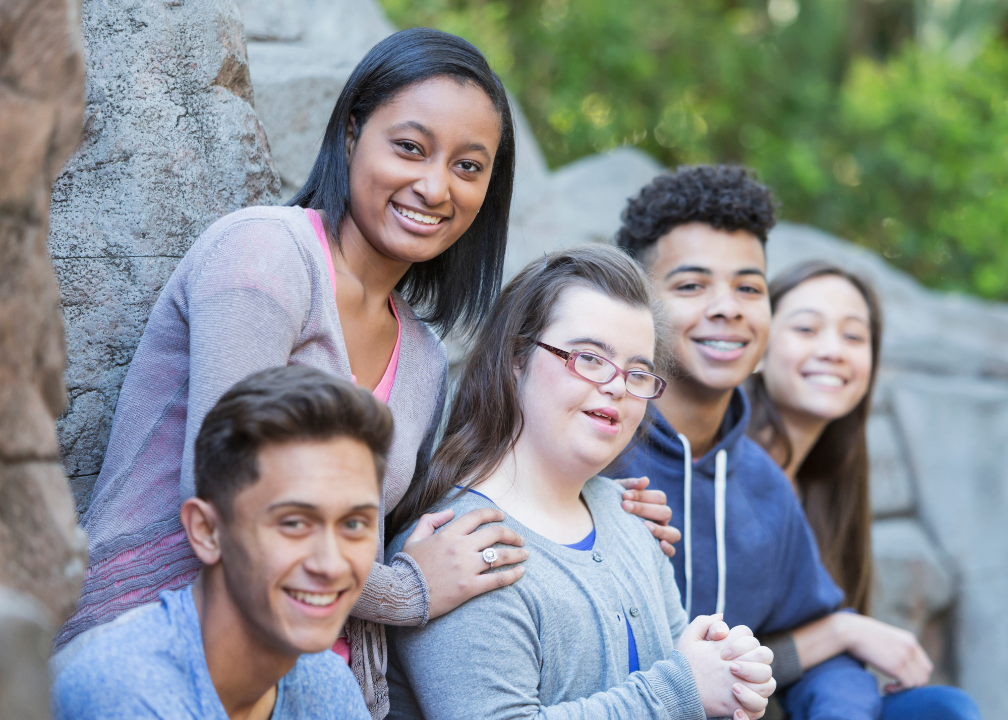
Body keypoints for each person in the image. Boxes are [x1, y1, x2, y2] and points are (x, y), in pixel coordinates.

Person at [57, 28, 676, 718]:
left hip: (321, 683)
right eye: (410, 147)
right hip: (171, 648)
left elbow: (385, 521)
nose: (435, 186)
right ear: (351, 133)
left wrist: (597, 507)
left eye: (469, 167)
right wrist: (407, 591)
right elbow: (226, 498)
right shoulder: (264, 258)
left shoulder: (422, 356)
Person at [613, 165, 979, 720]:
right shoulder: (595, 450)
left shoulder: (762, 484)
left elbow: (827, 656)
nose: (727, 307)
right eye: (691, 285)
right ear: (636, 304)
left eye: (748, 287)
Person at [385, 245, 776, 720]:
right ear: (516, 357)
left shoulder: (630, 518)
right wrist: (684, 688)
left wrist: (726, 679)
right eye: (589, 357)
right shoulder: (462, 548)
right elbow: (674, 692)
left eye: (638, 371)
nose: (616, 385)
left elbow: (685, 685)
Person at [52, 366, 389, 719]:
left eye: (353, 524)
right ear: (207, 531)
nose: (331, 564)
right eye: (293, 523)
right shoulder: (125, 691)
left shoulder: (329, 686)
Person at [745, 261, 981, 718]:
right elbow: (701, 666)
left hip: (800, 701)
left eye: (854, 336)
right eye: (807, 328)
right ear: (760, 347)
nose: (833, 350)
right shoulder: (725, 474)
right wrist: (840, 632)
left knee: (944, 709)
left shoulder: (831, 485)